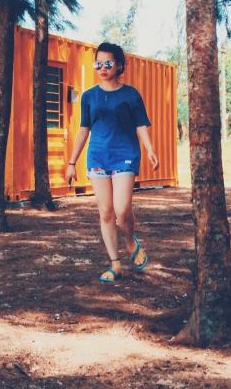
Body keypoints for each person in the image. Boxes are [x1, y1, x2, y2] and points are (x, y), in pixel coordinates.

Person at [65, 42, 159, 283]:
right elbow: (83, 130)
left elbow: (141, 125)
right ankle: (115, 265)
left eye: (108, 63)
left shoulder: (131, 94)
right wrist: (72, 161)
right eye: (99, 63)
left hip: (125, 154)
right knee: (105, 212)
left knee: (122, 209)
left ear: (119, 65)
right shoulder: (89, 96)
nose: (103, 68)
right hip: (97, 156)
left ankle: (129, 240)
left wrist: (149, 149)